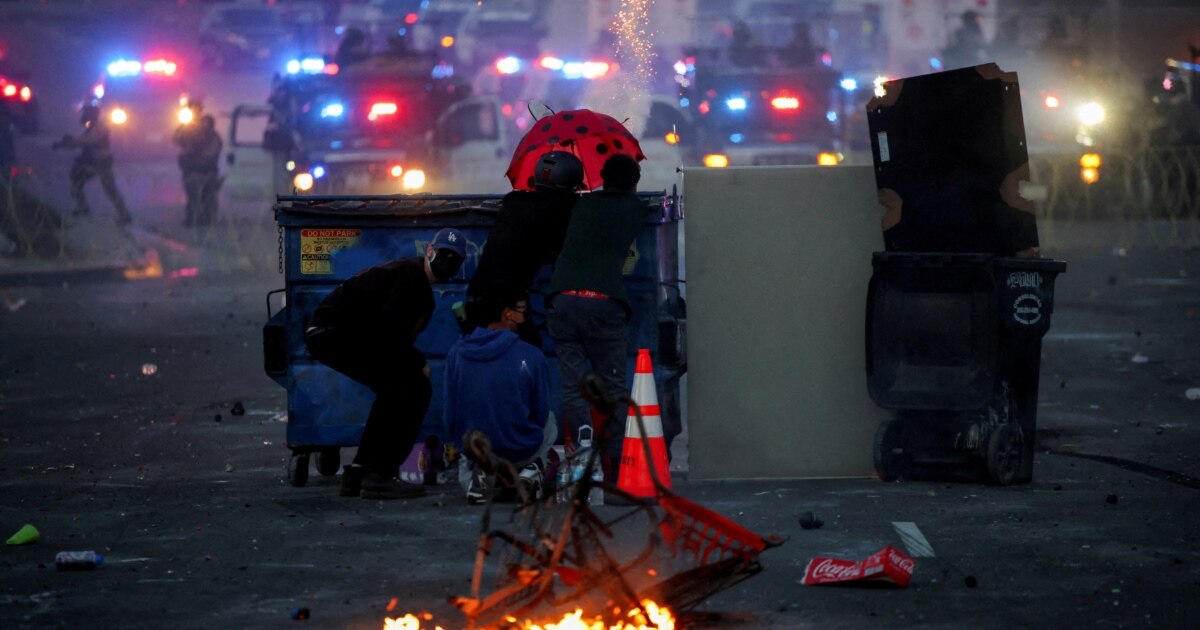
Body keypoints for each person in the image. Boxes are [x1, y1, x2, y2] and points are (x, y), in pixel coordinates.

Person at [304, 227, 467, 500]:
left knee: (395, 389)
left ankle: (360, 472)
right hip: (336, 333)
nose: (448, 260)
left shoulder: (411, 276)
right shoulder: (412, 278)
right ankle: (380, 474)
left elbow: (388, 335)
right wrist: (417, 362)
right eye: (443, 253)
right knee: (414, 389)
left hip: (330, 333)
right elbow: (389, 330)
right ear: (429, 251)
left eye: (454, 258)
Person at [546, 154, 648, 483]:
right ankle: (616, 471)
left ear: (602, 178)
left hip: (564, 299)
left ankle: (584, 444)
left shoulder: (581, 205)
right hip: (605, 303)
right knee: (614, 387)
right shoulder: (636, 209)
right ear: (634, 184)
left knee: (575, 387)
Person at [462, 151, 583, 347]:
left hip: (477, 298)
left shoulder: (513, 202)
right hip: (503, 306)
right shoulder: (558, 213)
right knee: (529, 352)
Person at [445, 293, 555, 504]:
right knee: (550, 421)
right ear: (508, 314)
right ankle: (529, 473)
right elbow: (540, 413)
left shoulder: (456, 353)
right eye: (522, 312)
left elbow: (450, 416)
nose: (525, 318)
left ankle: (483, 474)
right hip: (519, 448)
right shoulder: (532, 355)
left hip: (475, 451)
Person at [53, 103, 132, 225]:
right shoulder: (92, 126)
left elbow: (88, 141)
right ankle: (83, 207)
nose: (84, 115)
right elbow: (81, 141)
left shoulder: (101, 127)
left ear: (92, 114)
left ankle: (124, 215)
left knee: (109, 189)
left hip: (101, 162)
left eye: (86, 113)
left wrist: (70, 142)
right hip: (94, 162)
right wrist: (64, 144)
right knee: (76, 180)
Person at [174, 112, 224, 227]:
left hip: (207, 172)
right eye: (202, 124)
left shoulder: (214, 138)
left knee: (208, 199)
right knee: (193, 198)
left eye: (207, 124)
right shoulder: (191, 135)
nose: (204, 127)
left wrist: (194, 154)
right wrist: (184, 125)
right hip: (192, 172)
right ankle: (193, 220)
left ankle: (207, 221)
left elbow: (210, 155)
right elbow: (177, 139)